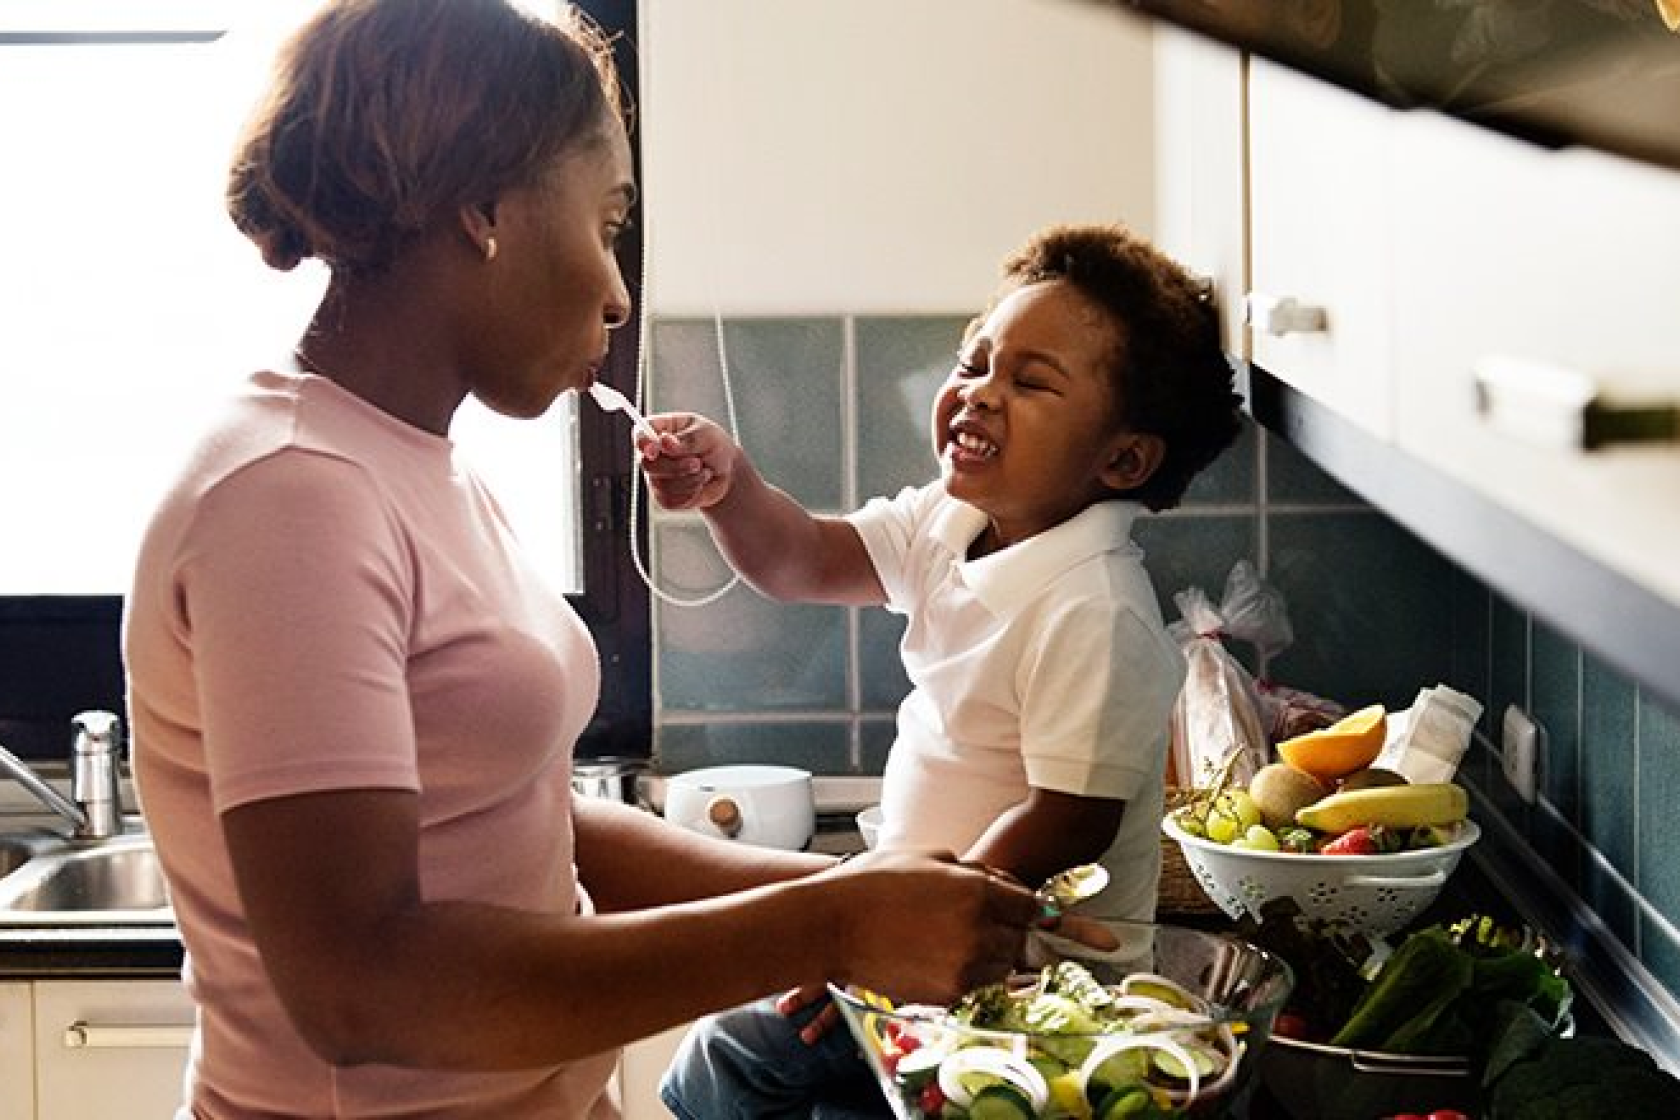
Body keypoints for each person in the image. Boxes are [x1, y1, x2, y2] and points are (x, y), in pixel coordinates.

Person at [121, 3, 1060, 1117]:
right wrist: (827, 925)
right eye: (606, 221)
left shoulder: (413, 462)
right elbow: (360, 983)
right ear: (483, 211)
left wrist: (855, 895)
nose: (617, 291)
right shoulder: (287, 495)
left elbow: (530, 821)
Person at [639, 222, 1245, 1118]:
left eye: (1030, 382)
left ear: (1123, 459)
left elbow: (1066, 822)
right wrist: (731, 488)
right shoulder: (949, 521)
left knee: (730, 1057)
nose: (979, 395)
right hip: (920, 947)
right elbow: (804, 559)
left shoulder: (1097, 607)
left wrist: (896, 926)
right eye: (974, 363)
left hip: (1026, 987)